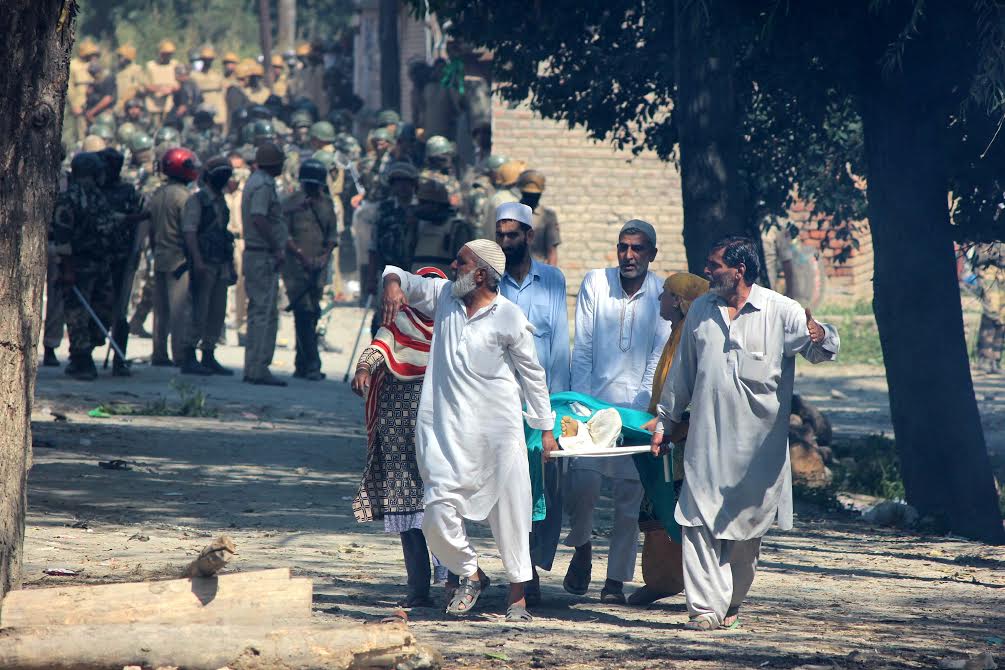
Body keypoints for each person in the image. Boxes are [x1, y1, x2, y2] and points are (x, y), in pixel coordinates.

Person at [658, 236, 839, 630]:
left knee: (746, 537)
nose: (707, 271)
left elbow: (820, 347)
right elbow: (681, 374)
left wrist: (820, 334)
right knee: (696, 521)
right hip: (705, 447)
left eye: (714, 264)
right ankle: (705, 610)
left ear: (739, 270)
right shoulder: (702, 311)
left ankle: (732, 601)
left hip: (758, 456)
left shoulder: (779, 310)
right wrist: (665, 422)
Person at [379, 239, 557, 622]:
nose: (451, 264)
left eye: (459, 261)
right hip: (446, 433)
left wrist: (545, 428)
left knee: (512, 515)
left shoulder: (508, 315)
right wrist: (392, 282)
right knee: (435, 514)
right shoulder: (444, 297)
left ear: (480, 274)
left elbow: (532, 375)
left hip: (498, 433)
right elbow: (398, 275)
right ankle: (471, 573)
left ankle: (518, 600)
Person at [565, 219, 671, 604]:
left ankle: (614, 582)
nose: (628, 255)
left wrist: (638, 415)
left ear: (651, 254)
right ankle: (582, 547)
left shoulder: (662, 292)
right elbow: (584, 350)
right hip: (591, 408)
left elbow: (657, 359)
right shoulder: (596, 283)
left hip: (636, 413)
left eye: (637, 249)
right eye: (623, 247)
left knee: (628, 498)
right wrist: (583, 407)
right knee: (582, 486)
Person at [351, 266, 449, 608]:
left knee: (442, 507)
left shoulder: (451, 328)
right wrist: (364, 369)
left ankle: (454, 583)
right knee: (406, 508)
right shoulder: (398, 321)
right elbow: (378, 345)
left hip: (438, 432)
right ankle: (418, 589)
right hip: (397, 430)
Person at [494, 202, 570, 606]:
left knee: (547, 491)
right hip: (503, 402)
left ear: (529, 236)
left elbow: (558, 346)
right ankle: (519, 572)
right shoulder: (490, 281)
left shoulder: (553, 280)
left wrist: (555, 413)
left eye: (512, 235)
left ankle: (535, 567)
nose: (505, 242)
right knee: (511, 490)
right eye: (500, 235)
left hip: (544, 404)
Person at [627, 272, 709, 607]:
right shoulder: (676, 333)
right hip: (666, 434)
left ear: (678, 300)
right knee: (655, 511)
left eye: (665, 294)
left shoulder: (694, 338)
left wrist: (676, 426)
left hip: (685, 441)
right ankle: (661, 579)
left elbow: (693, 392)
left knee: (680, 513)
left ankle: (694, 586)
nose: (659, 299)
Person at [51, 153, 116, 380]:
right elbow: (63, 236)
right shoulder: (68, 199)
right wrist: (67, 269)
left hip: (101, 263)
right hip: (78, 264)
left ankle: (86, 348)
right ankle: (81, 358)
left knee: (103, 310)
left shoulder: (98, 196)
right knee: (78, 312)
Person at [282, 159, 338, 381]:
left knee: (311, 312)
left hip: (318, 268)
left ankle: (301, 363)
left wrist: (323, 258)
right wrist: (301, 256)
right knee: (304, 312)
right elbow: (284, 235)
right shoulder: (291, 203)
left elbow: (332, 237)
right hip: (296, 268)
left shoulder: (327, 205)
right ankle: (313, 363)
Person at [181, 156, 236, 375]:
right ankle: (189, 354)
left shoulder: (221, 201)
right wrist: (198, 261)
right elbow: (190, 233)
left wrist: (230, 265)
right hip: (204, 264)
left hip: (220, 263)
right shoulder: (198, 201)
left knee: (217, 312)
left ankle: (208, 353)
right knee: (199, 311)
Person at [98, 148, 149, 377]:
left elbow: (137, 223)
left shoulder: (128, 192)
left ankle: (119, 359)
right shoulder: (96, 191)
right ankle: (83, 356)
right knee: (95, 306)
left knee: (120, 310)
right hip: (96, 255)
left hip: (120, 257)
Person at [241, 142, 288, 386]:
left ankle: (255, 366)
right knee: (263, 312)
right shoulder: (263, 185)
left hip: (258, 254)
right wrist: (277, 246)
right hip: (262, 254)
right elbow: (258, 217)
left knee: (260, 311)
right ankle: (257, 368)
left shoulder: (256, 180)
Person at [149, 147, 200, 367]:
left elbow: (150, 230)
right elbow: (188, 231)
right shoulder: (185, 197)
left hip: (160, 256)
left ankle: (159, 353)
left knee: (161, 311)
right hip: (179, 259)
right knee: (179, 310)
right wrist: (195, 258)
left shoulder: (158, 194)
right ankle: (180, 354)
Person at [368, 162, 419, 334]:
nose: (403, 187)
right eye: (398, 182)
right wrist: (371, 277)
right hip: (387, 273)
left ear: (414, 185)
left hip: (415, 275)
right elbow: (373, 245)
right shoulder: (384, 209)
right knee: (384, 320)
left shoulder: (422, 209)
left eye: (407, 182)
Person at [516, 170, 561, 267]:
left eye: (535, 196)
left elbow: (552, 251)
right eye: (528, 195)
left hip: (537, 272)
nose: (531, 199)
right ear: (521, 192)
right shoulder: (510, 212)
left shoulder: (548, 216)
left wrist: (551, 276)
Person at [974, 242, 1005, 374]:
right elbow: (980, 256)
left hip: (1001, 275)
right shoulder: (989, 231)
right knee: (991, 316)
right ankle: (984, 359)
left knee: (1003, 319)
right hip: (989, 273)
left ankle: (995, 360)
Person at [68, 40, 100, 142]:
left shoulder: (93, 65)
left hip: (93, 104)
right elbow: (70, 87)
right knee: (81, 133)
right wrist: (74, 105)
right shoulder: (73, 65)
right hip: (80, 103)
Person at [419, 136, 462, 208]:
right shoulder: (424, 177)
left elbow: (457, 203)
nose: (449, 159)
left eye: (449, 155)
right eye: (444, 156)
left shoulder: (450, 178)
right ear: (433, 158)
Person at [145, 40, 180, 126]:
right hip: (154, 104)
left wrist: (171, 89)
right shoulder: (150, 66)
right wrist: (160, 89)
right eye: (165, 54)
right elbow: (146, 85)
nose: (167, 56)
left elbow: (179, 84)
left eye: (169, 54)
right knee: (155, 127)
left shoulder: (175, 64)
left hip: (170, 105)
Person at [192, 46, 226, 128]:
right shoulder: (194, 75)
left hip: (217, 103)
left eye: (209, 60)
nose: (207, 62)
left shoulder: (218, 74)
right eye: (205, 59)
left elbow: (224, 90)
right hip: (203, 105)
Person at [114, 45, 145, 119]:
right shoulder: (118, 70)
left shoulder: (136, 69)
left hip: (131, 108)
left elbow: (142, 89)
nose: (119, 58)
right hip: (119, 106)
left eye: (121, 56)